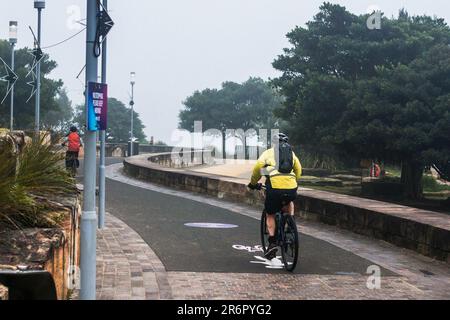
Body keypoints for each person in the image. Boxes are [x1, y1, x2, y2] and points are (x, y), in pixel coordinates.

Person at [248, 133, 302, 260]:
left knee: (270, 213)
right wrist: (294, 180)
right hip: (291, 186)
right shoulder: (291, 154)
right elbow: (298, 169)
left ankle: (272, 243)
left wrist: (253, 183)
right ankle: (290, 222)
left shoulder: (268, 153)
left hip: (274, 187)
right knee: (289, 201)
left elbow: (257, 167)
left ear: (273, 143)